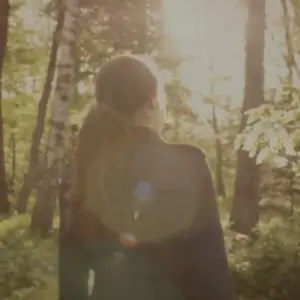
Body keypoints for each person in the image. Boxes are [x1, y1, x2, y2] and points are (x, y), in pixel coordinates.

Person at [58, 54, 235, 300]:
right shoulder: (188, 165)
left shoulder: (80, 172)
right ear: (152, 104)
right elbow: (211, 277)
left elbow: (71, 285)